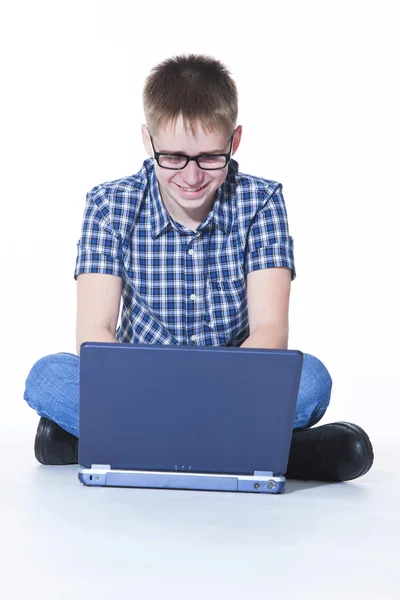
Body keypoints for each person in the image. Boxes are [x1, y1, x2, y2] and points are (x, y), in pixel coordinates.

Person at [24, 53, 374, 481]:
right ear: (147, 141)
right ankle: (278, 453)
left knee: (312, 380)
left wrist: (214, 395)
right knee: (48, 376)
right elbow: (95, 332)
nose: (191, 176)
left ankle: (107, 443)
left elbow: (270, 331)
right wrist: (144, 396)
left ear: (235, 141)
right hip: (138, 390)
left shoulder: (260, 201)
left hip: (234, 388)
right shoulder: (108, 205)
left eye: (210, 157)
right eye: (173, 157)